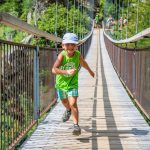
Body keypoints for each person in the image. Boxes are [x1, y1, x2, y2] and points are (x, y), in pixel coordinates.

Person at [52, 33, 95, 136]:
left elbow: (83, 63)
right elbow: (53, 70)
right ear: (63, 46)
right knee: (64, 101)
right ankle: (67, 110)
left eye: (73, 44)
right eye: (67, 44)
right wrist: (66, 72)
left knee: (73, 103)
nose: (70, 47)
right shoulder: (61, 55)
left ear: (76, 46)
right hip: (61, 84)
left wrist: (90, 71)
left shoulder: (78, 55)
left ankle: (76, 126)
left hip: (72, 84)